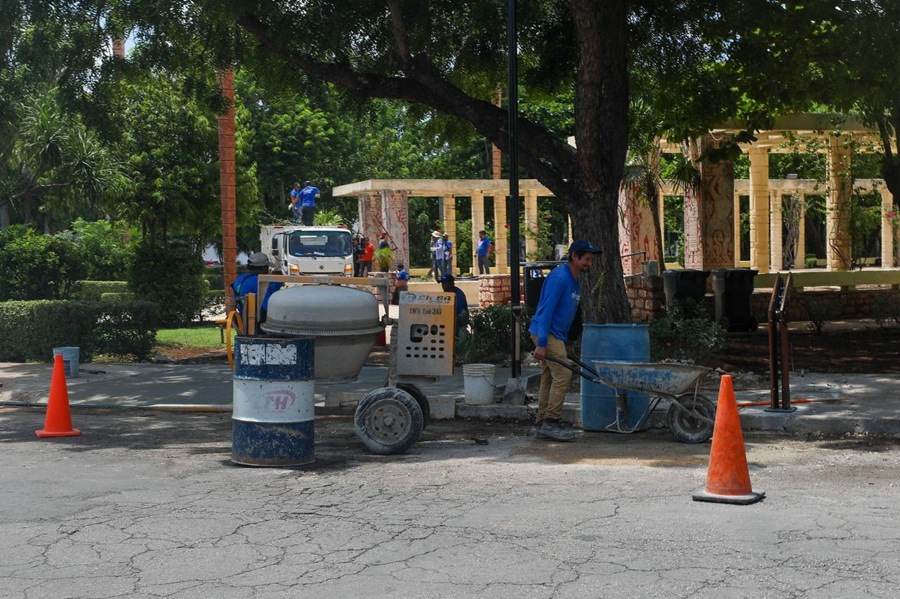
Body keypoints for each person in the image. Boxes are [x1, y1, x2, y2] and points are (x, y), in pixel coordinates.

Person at [528, 239, 602, 442]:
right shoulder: (559, 278)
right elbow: (546, 311)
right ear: (574, 256)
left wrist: (564, 343)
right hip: (546, 332)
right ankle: (551, 422)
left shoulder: (572, 278)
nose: (589, 263)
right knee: (563, 375)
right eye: (586, 259)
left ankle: (542, 421)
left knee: (549, 377)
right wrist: (542, 343)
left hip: (554, 335)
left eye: (591, 260)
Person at [231, 252, 284, 325]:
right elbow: (269, 306)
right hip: (258, 323)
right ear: (263, 268)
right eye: (267, 268)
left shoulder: (239, 279)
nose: (268, 271)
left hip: (244, 320)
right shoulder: (260, 282)